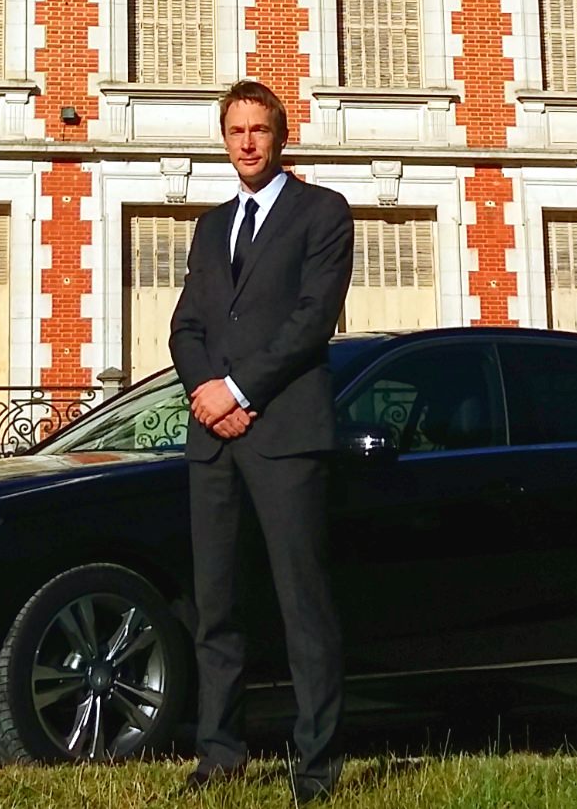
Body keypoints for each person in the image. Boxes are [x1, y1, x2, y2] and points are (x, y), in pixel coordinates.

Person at [169, 78, 354, 803]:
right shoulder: (211, 226)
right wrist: (206, 395)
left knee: (301, 604)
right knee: (215, 605)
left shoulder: (322, 213)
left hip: (285, 436)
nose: (247, 142)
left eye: (259, 130)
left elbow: (311, 321)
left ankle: (316, 766)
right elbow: (186, 326)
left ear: (282, 137)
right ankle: (220, 753)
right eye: (235, 131)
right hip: (212, 442)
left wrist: (238, 391)